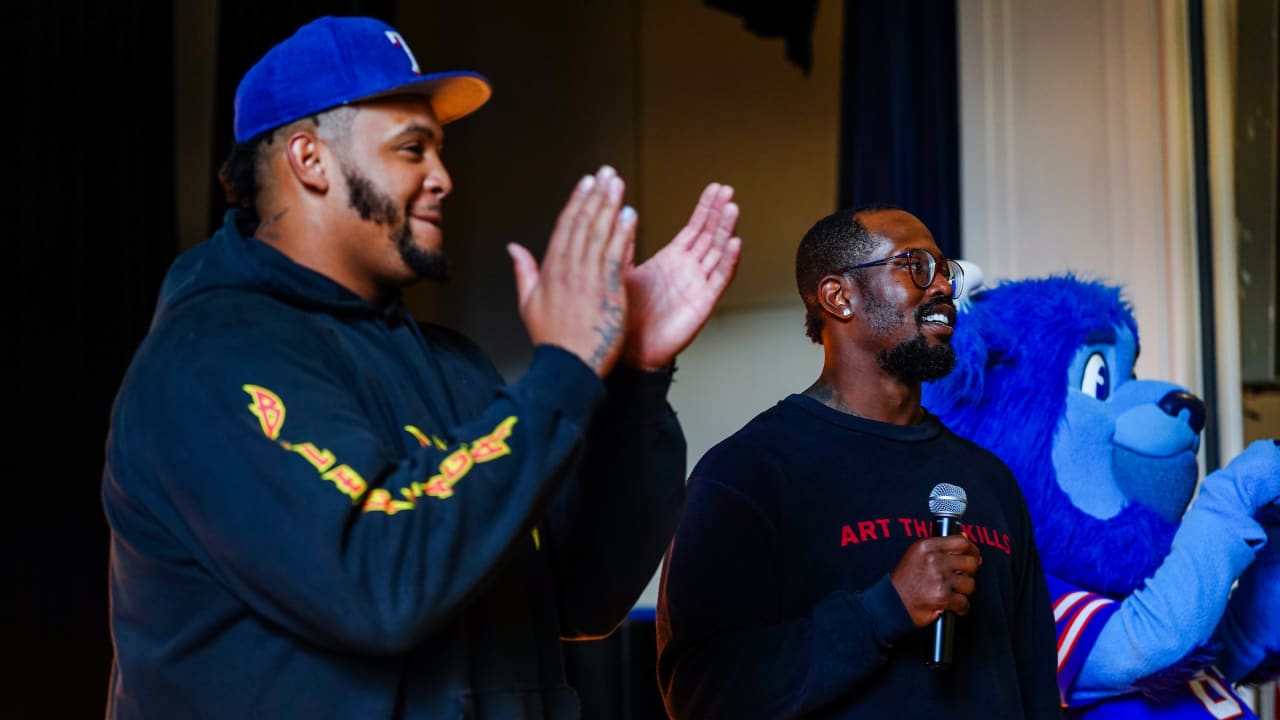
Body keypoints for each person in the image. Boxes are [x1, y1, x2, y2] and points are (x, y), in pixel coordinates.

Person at [101, 15, 741, 719]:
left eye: (439, 150)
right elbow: (381, 583)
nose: (443, 178)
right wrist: (562, 369)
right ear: (309, 160)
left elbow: (582, 595)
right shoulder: (210, 359)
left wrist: (630, 382)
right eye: (412, 149)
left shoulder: (453, 365)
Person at [656, 206, 1060, 719]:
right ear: (838, 296)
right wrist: (884, 610)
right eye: (916, 266)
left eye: (945, 271)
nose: (942, 289)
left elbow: (1035, 687)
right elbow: (698, 694)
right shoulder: (749, 472)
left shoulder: (990, 479)